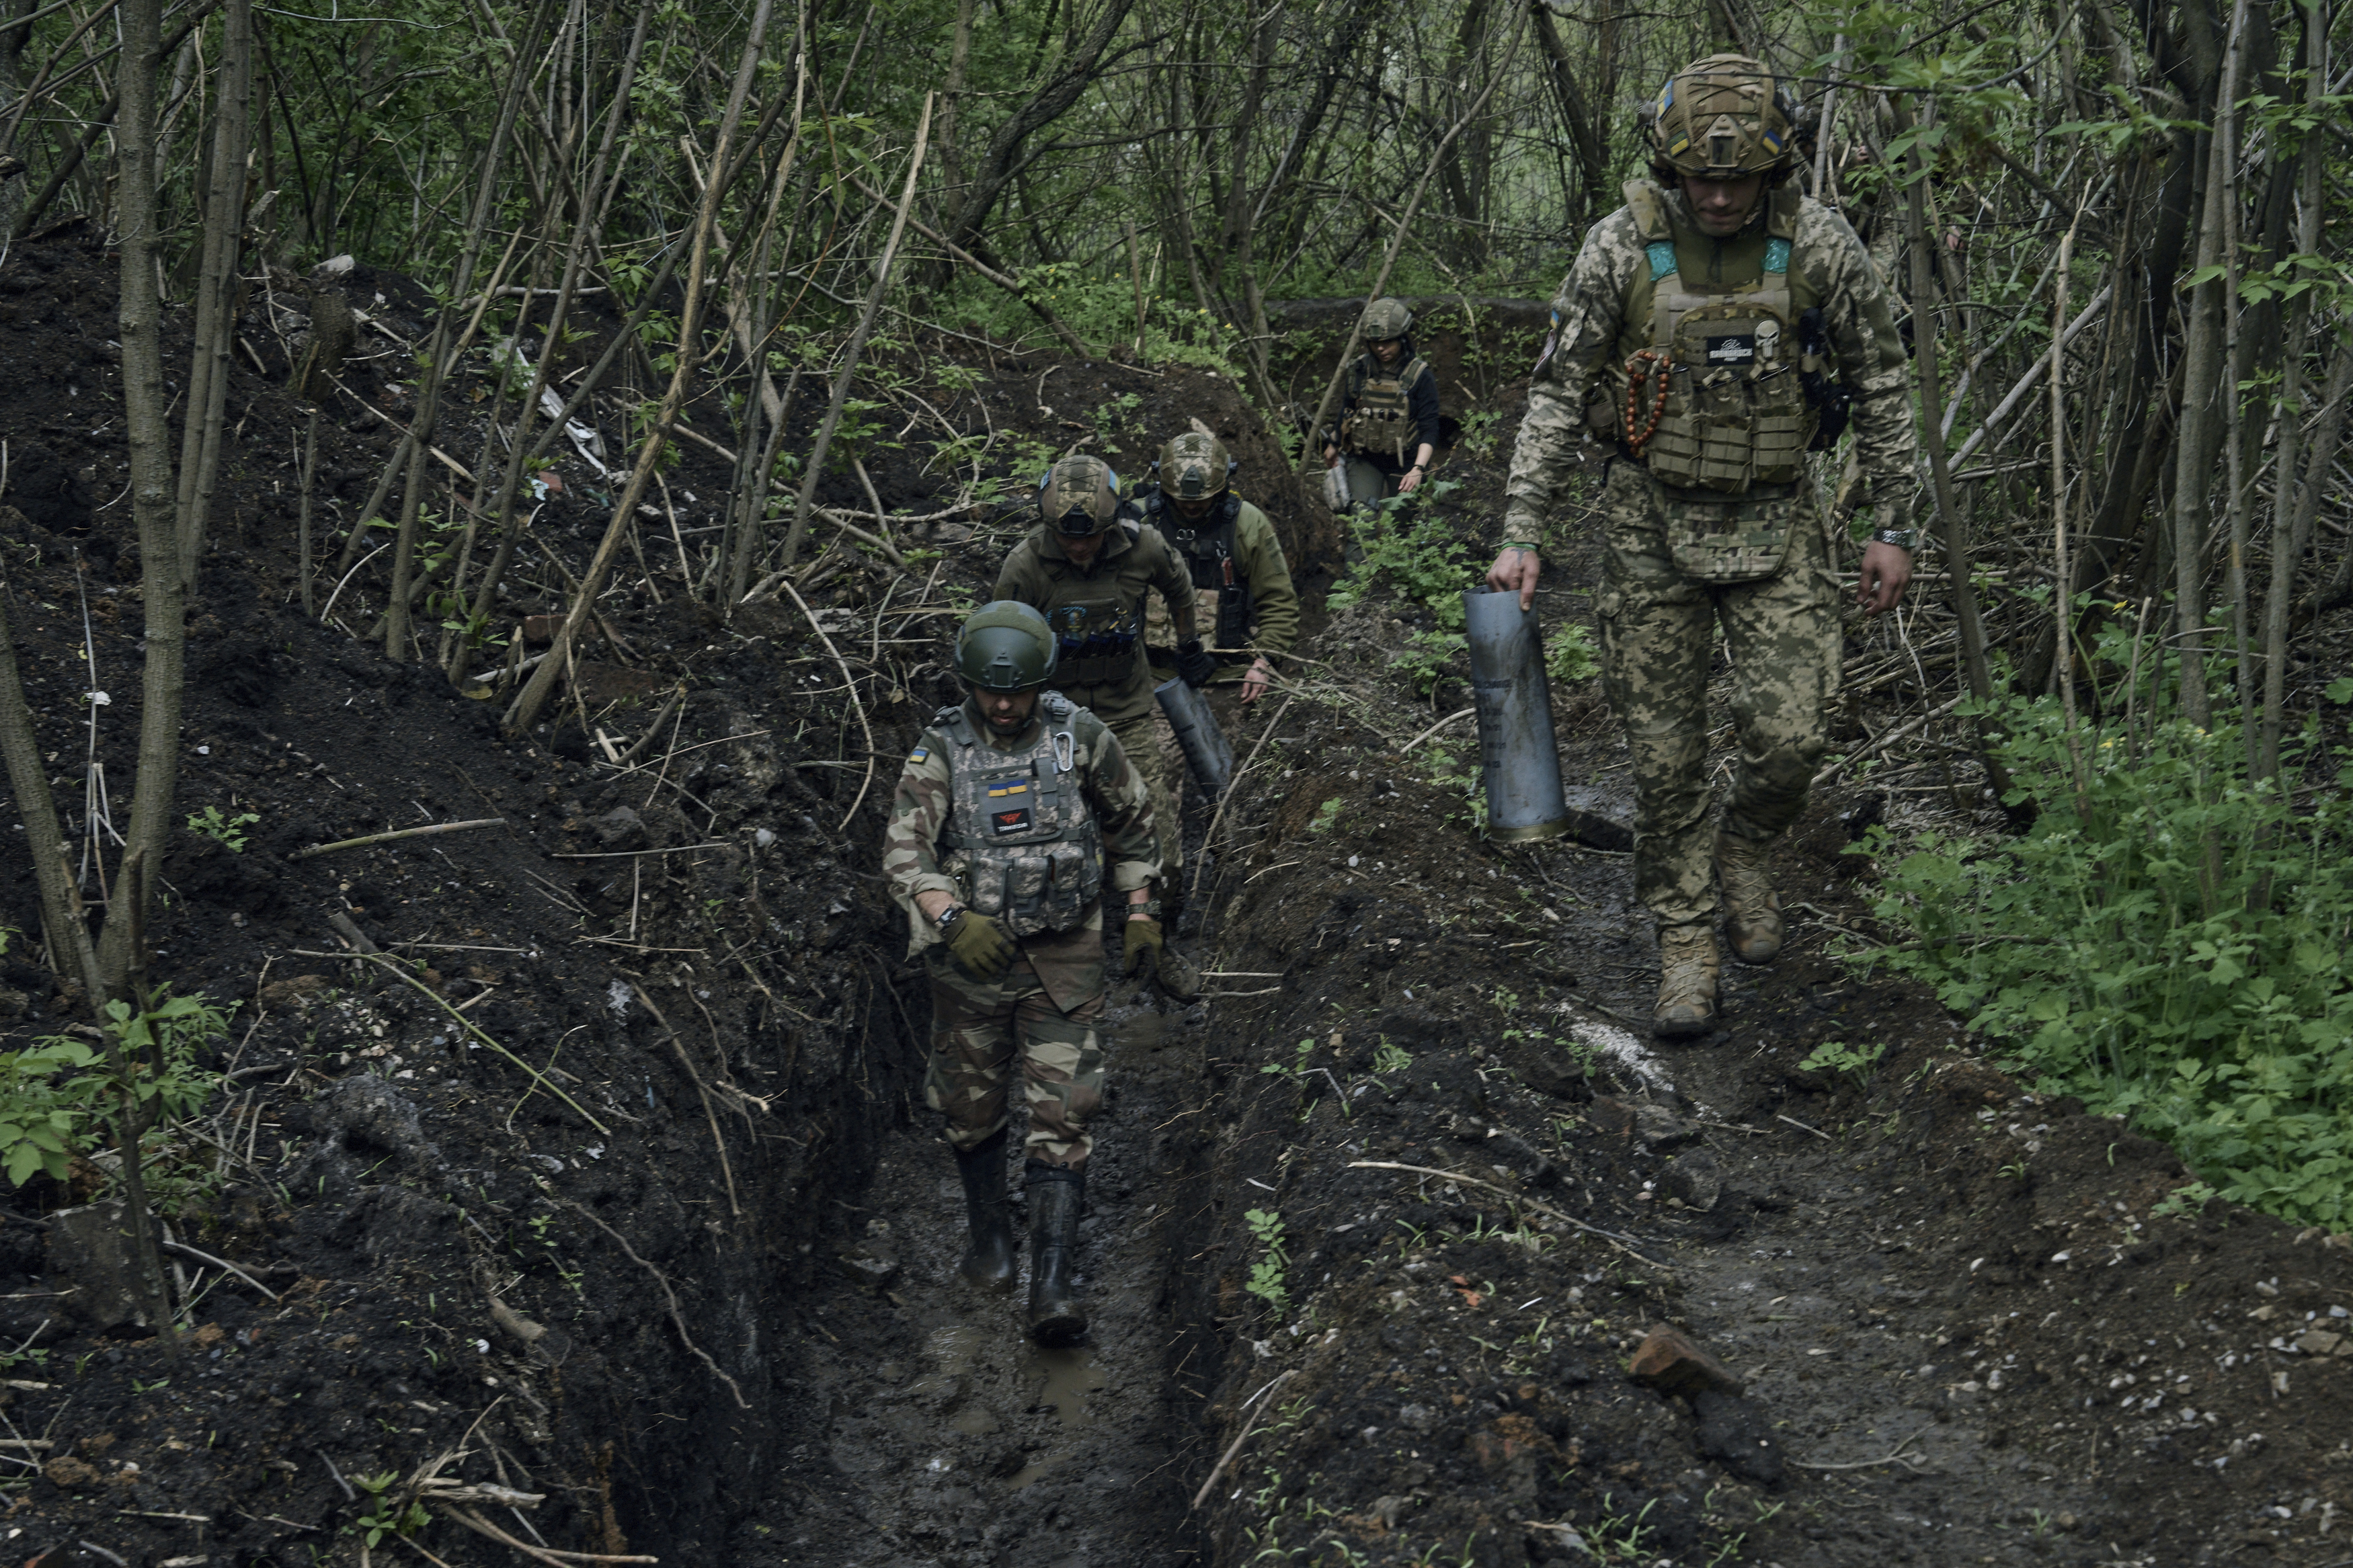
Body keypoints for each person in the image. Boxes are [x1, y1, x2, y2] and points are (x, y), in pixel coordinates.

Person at [1488, 52, 1918, 1040]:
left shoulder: (1818, 245)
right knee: (1667, 758)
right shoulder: (1616, 250)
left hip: (1779, 518)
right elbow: (1557, 392)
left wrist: (1892, 524)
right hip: (1650, 528)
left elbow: (1883, 382)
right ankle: (1686, 945)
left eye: (1740, 179)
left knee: (1796, 736)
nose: (1720, 196)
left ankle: (1749, 849)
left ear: (1776, 170)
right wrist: (1523, 528)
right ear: (1669, 166)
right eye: (1701, 178)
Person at [881, 601, 1164, 1344]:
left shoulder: (1082, 739)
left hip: (1065, 953)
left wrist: (1139, 909)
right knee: (968, 1105)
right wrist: (949, 916)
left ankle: (1053, 1281)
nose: (1002, 704)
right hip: (970, 963)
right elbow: (904, 852)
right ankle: (990, 1240)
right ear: (967, 683)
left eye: (1015, 691)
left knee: (1065, 1109)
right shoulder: (939, 748)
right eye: (988, 690)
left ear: (1041, 683)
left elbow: (1131, 821)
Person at [994, 456, 1212, 983]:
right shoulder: (1024, 566)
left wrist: (1189, 644)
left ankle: (1158, 942)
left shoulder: (1145, 547)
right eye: (1067, 539)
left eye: (1091, 537)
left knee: (1162, 844)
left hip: (1127, 710)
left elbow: (1180, 586)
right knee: (1042, 845)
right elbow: (997, 643)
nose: (1079, 548)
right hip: (1052, 720)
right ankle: (1058, 956)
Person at [1141, 429, 1298, 707]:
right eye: (1183, 499)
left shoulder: (1247, 525)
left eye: (1201, 499)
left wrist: (1263, 664)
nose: (1192, 507)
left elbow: (1279, 602)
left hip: (1230, 678)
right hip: (1149, 674)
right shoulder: (1140, 521)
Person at [1322, 296, 1442, 511]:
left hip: (1406, 463)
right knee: (1361, 520)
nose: (1381, 349)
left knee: (1403, 529)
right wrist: (1334, 444)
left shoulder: (1420, 376)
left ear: (1402, 339)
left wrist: (1418, 469)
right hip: (1365, 460)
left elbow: (1429, 428)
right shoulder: (1359, 369)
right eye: (1376, 343)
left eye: (1388, 342)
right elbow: (1348, 409)